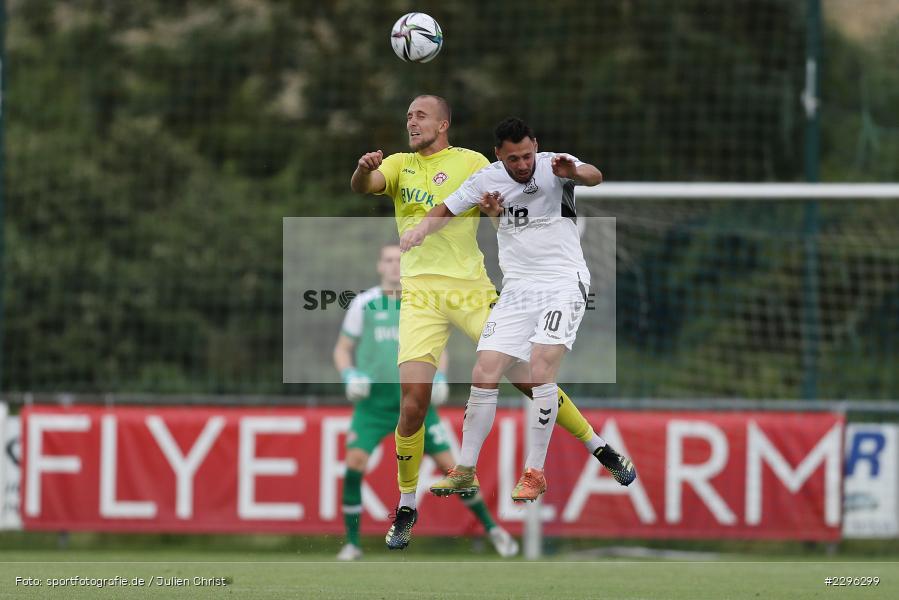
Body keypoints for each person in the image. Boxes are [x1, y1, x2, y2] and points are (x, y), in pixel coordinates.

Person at [351, 95, 630, 550]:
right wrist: (364, 170)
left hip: (471, 288)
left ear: (443, 123)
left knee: (527, 378)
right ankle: (406, 505)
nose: (411, 122)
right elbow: (366, 186)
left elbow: (507, 210)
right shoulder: (399, 163)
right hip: (419, 293)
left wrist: (500, 211)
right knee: (413, 403)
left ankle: (597, 445)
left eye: (420, 115)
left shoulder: (477, 163)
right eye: (408, 116)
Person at [401, 117, 637, 503]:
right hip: (517, 290)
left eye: (527, 155)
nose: (523, 164)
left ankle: (534, 472)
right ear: (499, 155)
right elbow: (445, 208)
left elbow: (594, 176)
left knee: (541, 369)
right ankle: (465, 470)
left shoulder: (554, 165)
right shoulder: (486, 181)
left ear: (535, 147)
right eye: (514, 159)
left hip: (563, 283)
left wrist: (574, 171)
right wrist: (419, 230)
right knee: (484, 370)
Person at [333, 243, 518, 560]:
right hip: (374, 406)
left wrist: (440, 376)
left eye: (400, 259)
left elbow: (438, 348)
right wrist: (349, 374)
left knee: (453, 468)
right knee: (354, 464)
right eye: (389, 260)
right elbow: (342, 348)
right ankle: (352, 544)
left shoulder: (421, 299)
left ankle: (494, 530)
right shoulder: (364, 303)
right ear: (380, 266)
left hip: (418, 405)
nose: (394, 265)